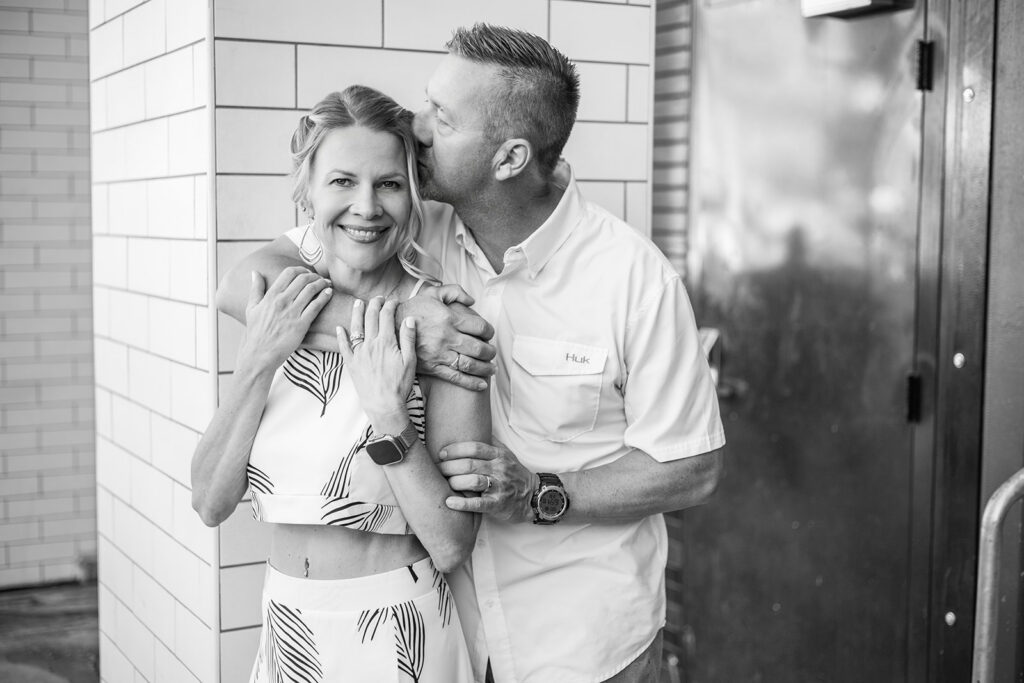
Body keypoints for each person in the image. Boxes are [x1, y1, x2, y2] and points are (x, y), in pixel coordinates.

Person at [218, 25, 725, 683]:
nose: (416, 126)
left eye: (442, 118)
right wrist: (401, 324)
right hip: (450, 637)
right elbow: (245, 287)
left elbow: (692, 468)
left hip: (579, 646)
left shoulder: (634, 278)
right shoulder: (410, 220)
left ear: (508, 158)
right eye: (428, 102)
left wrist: (546, 492)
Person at [191, 85, 490, 682]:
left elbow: (453, 543)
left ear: (413, 196)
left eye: (389, 183)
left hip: (394, 630)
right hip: (286, 625)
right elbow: (209, 502)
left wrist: (390, 420)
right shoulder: (283, 305)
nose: (367, 206)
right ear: (306, 192)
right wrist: (258, 359)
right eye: (342, 181)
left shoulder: (441, 326)